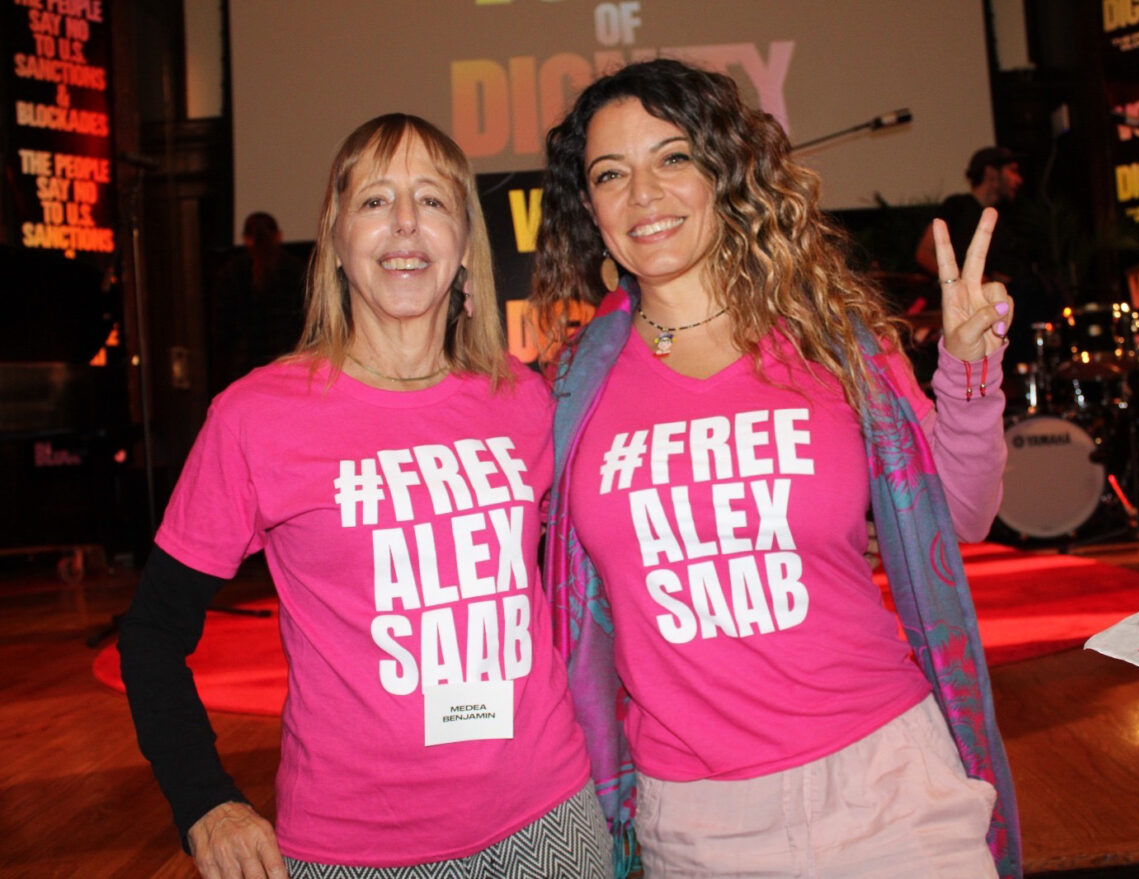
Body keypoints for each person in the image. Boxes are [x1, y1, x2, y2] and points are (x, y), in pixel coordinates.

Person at [531, 59, 1021, 878]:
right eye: (610, 174)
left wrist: (970, 374)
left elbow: (962, 516)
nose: (643, 193)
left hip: (890, 786)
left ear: (724, 171)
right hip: (698, 823)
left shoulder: (833, 341)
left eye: (672, 157)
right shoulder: (572, 389)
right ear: (590, 207)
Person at [118, 114, 611, 879]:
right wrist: (204, 800)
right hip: (356, 848)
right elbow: (151, 634)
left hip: (551, 822)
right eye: (376, 200)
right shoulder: (256, 417)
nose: (406, 222)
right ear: (337, 239)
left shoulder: (524, 400)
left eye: (432, 200)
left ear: (464, 243)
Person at [211, 212, 307, 392]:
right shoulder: (296, 270)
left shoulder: (232, 273)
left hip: (246, 368)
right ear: (279, 235)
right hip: (289, 365)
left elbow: (223, 329)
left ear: (246, 239)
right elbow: (307, 322)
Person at [914, 146, 1022, 281]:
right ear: (991, 173)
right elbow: (924, 254)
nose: (1018, 180)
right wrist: (959, 280)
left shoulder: (1006, 217)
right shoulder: (956, 206)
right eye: (1012, 171)